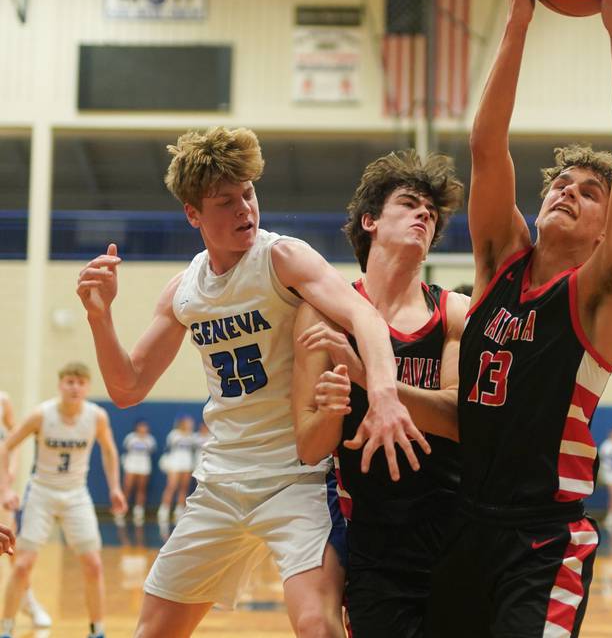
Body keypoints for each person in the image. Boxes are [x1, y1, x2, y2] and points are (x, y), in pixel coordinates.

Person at [75, 126, 428, 638]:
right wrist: (100, 318)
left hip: (297, 479)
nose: (245, 209)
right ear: (193, 214)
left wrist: (384, 395)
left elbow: (366, 317)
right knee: (151, 631)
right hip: (221, 481)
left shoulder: (281, 256)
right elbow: (128, 388)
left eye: (249, 194)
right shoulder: (185, 290)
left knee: (318, 626)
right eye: (226, 201)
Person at [426, 0, 612, 638]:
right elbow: (485, 146)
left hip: (545, 540)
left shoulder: (600, 291)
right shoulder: (500, 261)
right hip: (464, 522)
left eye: (589, 192)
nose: (567, 191)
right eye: (561, 182)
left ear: (606, 225)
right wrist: (517, 21)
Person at [293, 149, 468, 638]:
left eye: (431, 214)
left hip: (453, 521)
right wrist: (331, 410)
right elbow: (309, 447)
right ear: (369, 221)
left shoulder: (454, 312)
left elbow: (457, 419)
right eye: (410, 204)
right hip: (374, 532)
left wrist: (364, 373)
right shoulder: (322, 314)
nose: (423, 216)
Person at [0, 362, 127, 638]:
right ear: (60, 385)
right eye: (69, 381)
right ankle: (6, 629)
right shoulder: (42, 415)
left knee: (93, 564)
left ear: (87, 387)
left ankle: (98, 630)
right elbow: (6, 446)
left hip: (76, 495)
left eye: (80, 382)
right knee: (22, 564)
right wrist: (5, 489)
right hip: (42, 492)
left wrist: (115, 487)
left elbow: (109, 450)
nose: (75, 387)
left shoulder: (96, 417)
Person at [0, 391, 52, 629]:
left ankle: (27, 601)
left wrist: (11, 468)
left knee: (10, 545)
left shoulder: (3, 400)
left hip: (2, 487)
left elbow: (13, 439)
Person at [157, 416, 197, 528]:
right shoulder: (174, 434)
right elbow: (169, 448)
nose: (190, 425)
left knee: (184, 487)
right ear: (182, 423)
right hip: (174, 463)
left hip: (187, 463)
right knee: (171, 486)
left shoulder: (192, 436)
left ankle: (179, 509)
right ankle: (164, 510)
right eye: (188, 423)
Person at [119, 418, 158, 528]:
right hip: (131, 465)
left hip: (144, 466)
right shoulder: (130, 438)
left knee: (141, 488)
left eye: (145, 427)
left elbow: (151, 451)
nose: (143, 429)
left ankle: (139, 511)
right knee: (127, 487)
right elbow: (125, 450)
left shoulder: (150, 440)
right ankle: (122, 510)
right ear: (137, 427)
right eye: (141, 426)